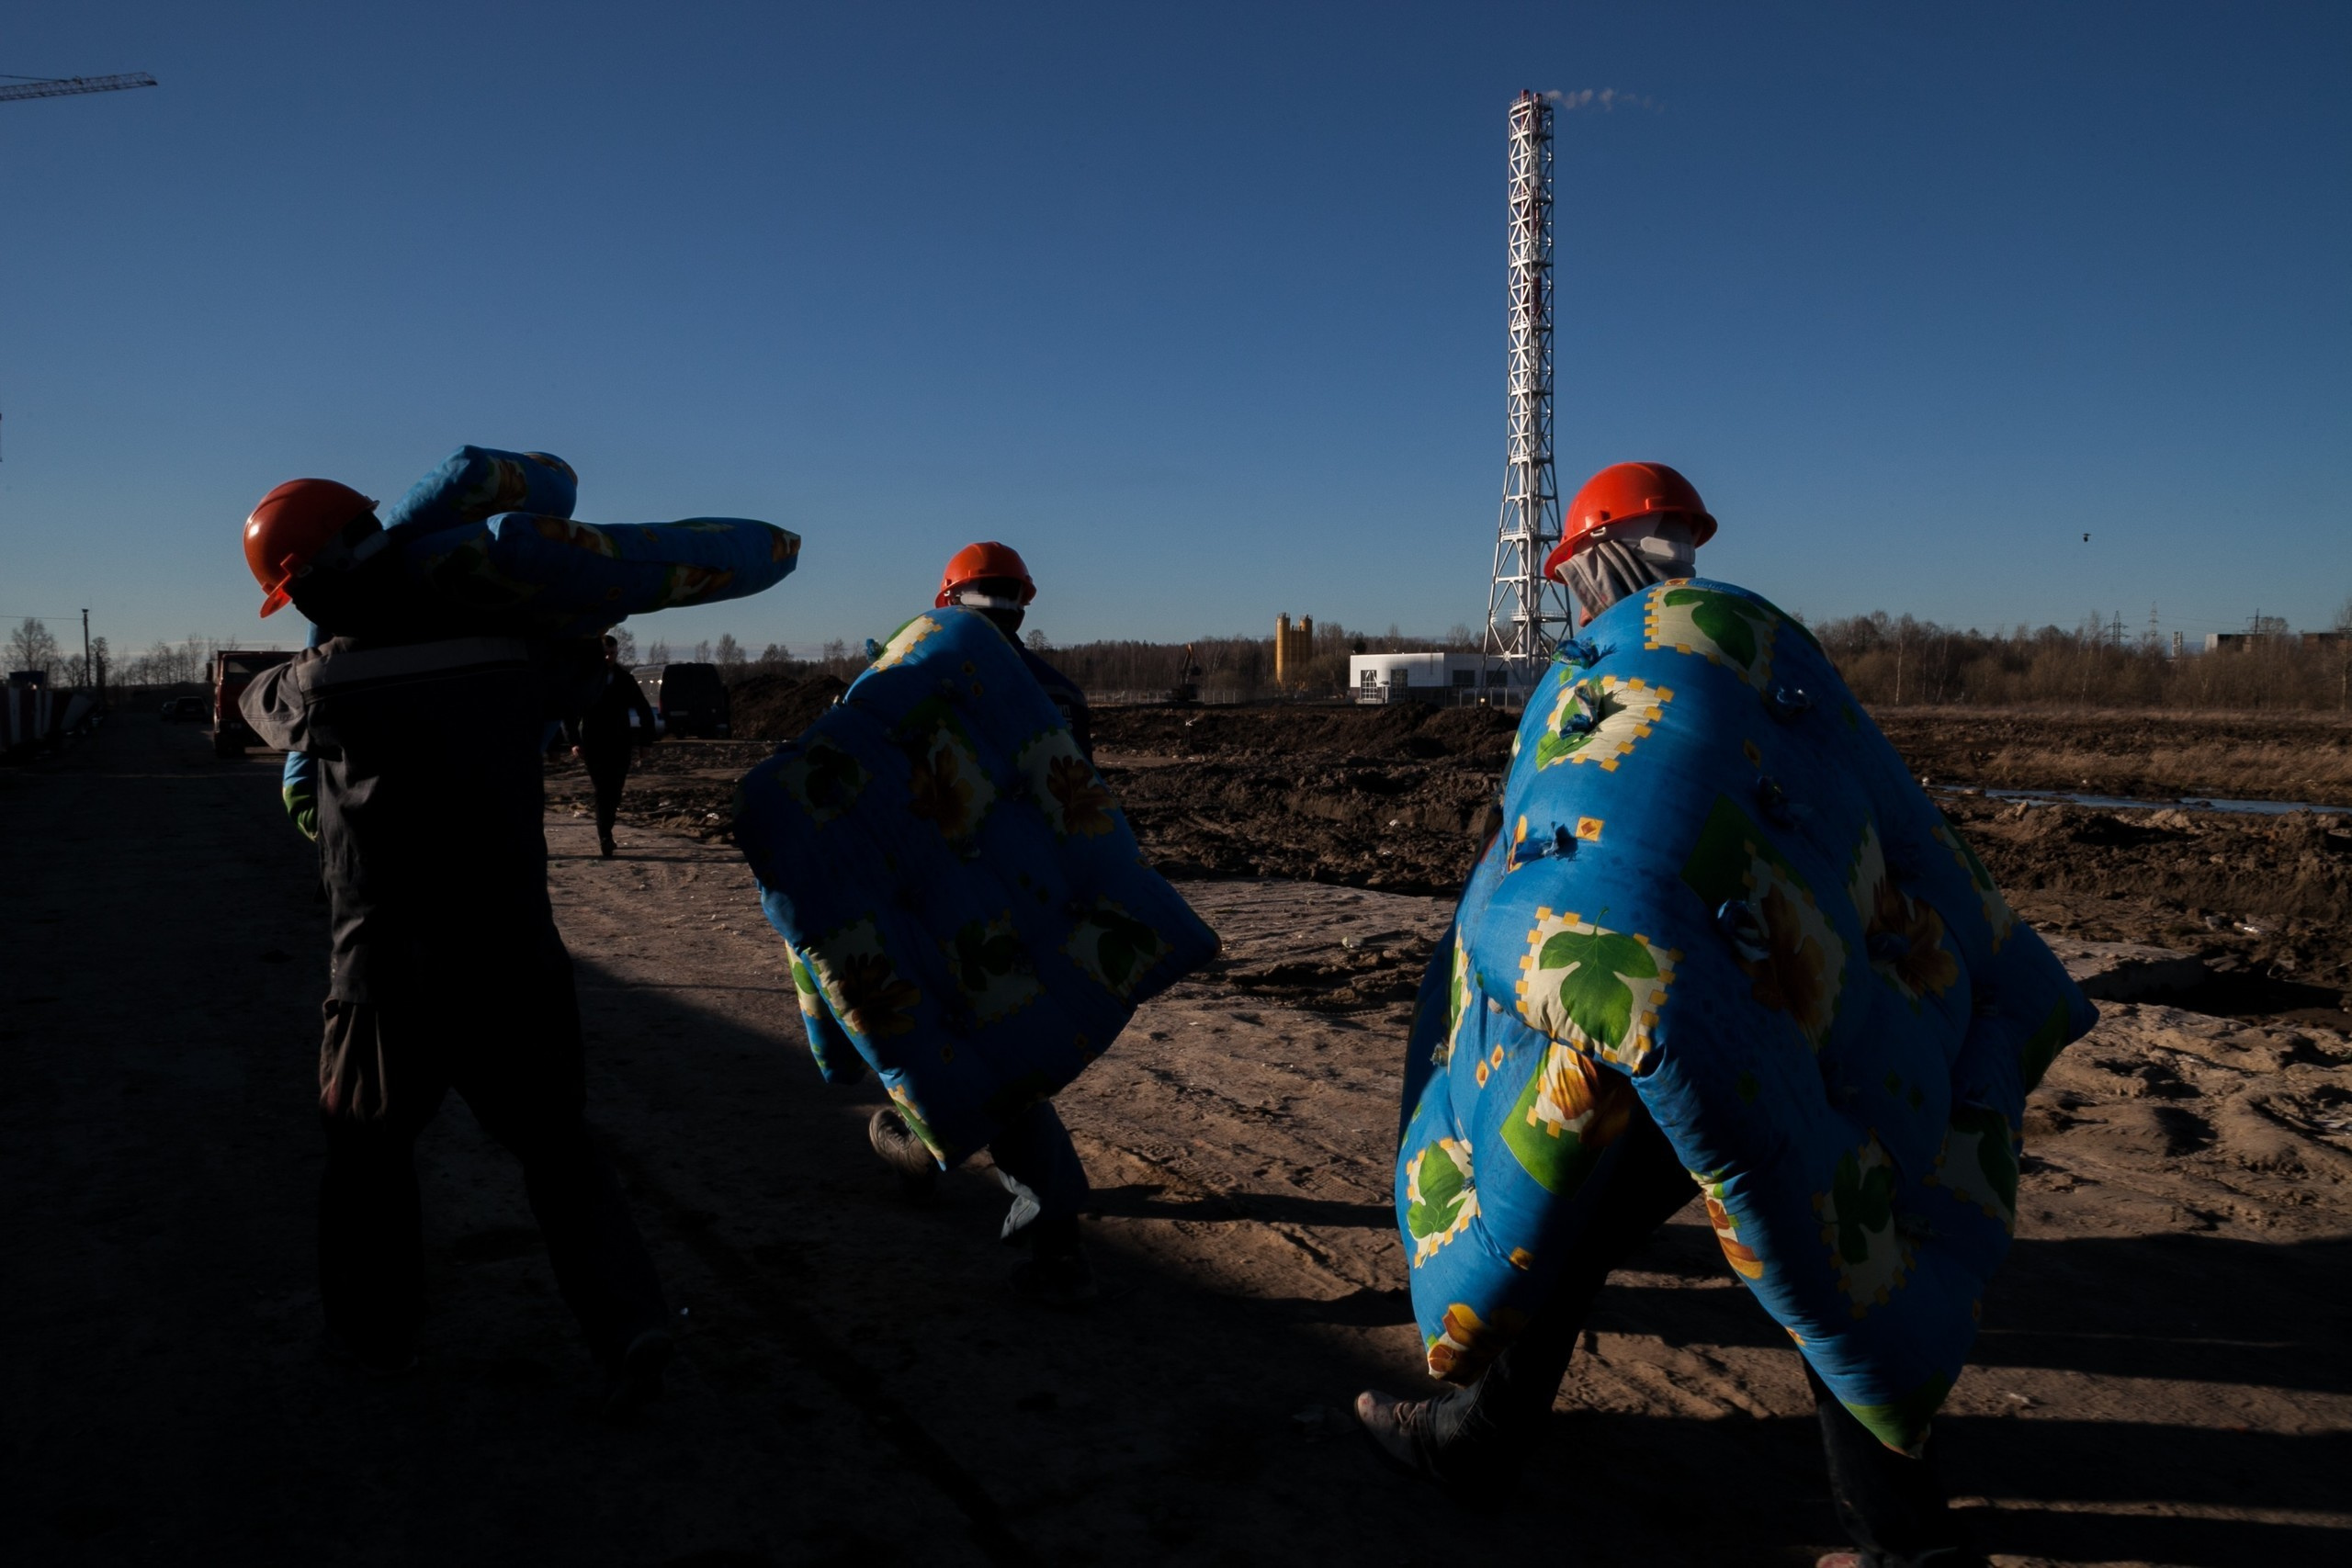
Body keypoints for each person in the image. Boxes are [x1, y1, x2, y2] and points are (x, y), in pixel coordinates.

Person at [1354, 464, 1975, 1568]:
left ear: (1593, 561)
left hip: (1651, 1014)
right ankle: (1901, 1538)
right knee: (1812, 1239)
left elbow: (1554, 842)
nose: (1574, 599)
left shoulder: (1604, 674)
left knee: (1572, 1213)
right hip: (1769, 1005)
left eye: (1575, 579)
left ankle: (1475, 1449)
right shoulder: (1754, 666)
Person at [236, 477, 673, 1412]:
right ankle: (630, 1321)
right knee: (558, 1147)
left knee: (368, 1156)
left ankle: (376, 1336)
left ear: (308, 589)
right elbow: (584, 673)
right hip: (514, 957)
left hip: (385, 970)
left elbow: (255, 702)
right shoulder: (511, 656)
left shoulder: (319, 684)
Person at [863, 540, 1098, 1306]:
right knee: (963, 1041)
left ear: (945, 600)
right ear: (1023, 602)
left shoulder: (918, 678)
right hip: (1041, 903)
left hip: (951, 903)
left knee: (990, 1061)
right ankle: (918, 1149)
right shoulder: (1061, 694)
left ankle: (1056, 1236)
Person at [564, 635, 657, 858]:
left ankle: (607, 830)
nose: (609, 658)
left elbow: (644, 710)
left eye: (613, 653)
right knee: (602, 789)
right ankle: (605, 836)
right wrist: (574, 741)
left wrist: (646, 742)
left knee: (615, 790)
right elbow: (570, 712)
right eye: (605, 653)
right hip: (594, 743)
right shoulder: (585, 680)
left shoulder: (625, 679)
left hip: (620, 743)